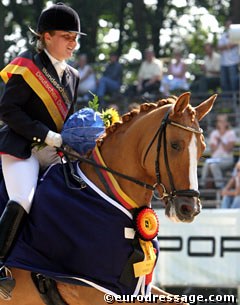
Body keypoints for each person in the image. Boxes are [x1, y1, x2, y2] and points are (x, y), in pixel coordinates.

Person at [0, 3, 85, 299]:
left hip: (54, 152)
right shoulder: (27, 66)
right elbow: (7, 110)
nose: (73, 43)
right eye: (67, 36)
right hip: (21, 149)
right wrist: (46, 134)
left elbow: (68, 119)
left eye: (76, 37)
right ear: (46, 36)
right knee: (23, 197)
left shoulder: (73, 75)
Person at [200, 114, 237, 189]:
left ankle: (219, 186)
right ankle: (202, 184)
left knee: (213, 165)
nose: (221, 123)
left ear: (227, 123)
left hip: (227, 159)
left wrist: (220, 139)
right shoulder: (214, 133)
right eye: (220, 121)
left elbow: (228, 149)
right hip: (215, 158)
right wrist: (218, 138)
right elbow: (213, 150)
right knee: (208, 164)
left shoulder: (231, 133)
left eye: (223, 121)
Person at [217, 19, 240, 93]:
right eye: (227, 24)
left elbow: (233, 45)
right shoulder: (223, 35)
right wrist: (227, 46)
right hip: (223, 63)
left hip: (233, 62)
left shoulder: (237, 34)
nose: (228, 26)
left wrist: (225, 46)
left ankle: (234, 100)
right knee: (224, 82)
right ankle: (226, 100)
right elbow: (219, 47)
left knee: (233, 82)